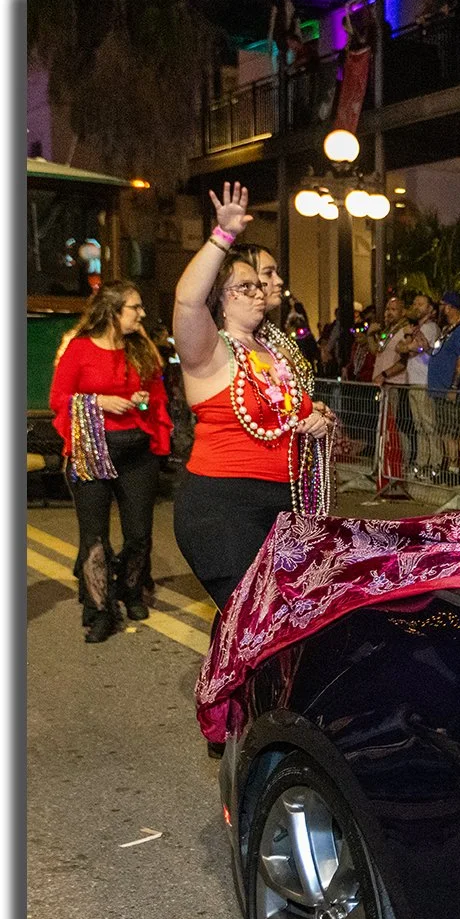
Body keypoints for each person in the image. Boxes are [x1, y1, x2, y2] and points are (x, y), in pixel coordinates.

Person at [171, 181, 335, 609]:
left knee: (282, 625)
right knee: (255, 621)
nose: (258, 292)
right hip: (223, 509)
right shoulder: (208, 350)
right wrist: (223, 235)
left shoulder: (274, 351)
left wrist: (318, 421)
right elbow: (187, 301)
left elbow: (291, 419)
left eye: (257, 286)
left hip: (286, 506)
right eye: (243, 287)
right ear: (221, 299)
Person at [49, 280, 172, 642]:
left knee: (139, 534)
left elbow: (158, 398)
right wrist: (100, 402)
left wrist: (140, 401)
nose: (142, 314)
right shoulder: (79, 348)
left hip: (136, 451)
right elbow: (59, 399)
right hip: (92, 449)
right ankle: (99, 608)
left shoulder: (141, 347)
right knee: (95, 539)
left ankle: (131, 591)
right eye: (135, 307)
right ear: (113, 311)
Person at [428, 290, 460, 482]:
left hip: (453, 390)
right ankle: (452, 467)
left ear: (450, 307)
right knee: (447, 431)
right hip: (440, 389)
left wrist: (454, 387)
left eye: (442, 305)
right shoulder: (448, 329)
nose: (440, 309)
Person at [402, 292, 442, 479]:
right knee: (419, 425)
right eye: (415, 303)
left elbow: (417, 347)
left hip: (423, 381)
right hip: (414, 381)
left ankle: (435, 463)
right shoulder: (416, 327)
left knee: (428, 425)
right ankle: (422, 462)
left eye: (420, 304)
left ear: (430, 309)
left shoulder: (431, 327)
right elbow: (401, 347)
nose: (416, 306)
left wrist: (411, 344)